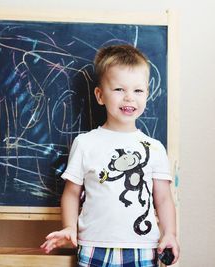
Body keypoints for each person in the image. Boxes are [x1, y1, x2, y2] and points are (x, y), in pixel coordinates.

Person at [41, 44, 180, 266]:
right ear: (100, 95)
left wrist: (170, 233)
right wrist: (69, 227)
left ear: (147, 94)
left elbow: (163, 198)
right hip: (94, 244)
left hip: (143, 248)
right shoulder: (85, 143)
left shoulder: (154, 148)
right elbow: (71, 193)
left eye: (138, 90)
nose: (128, 98)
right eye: (118, 90)